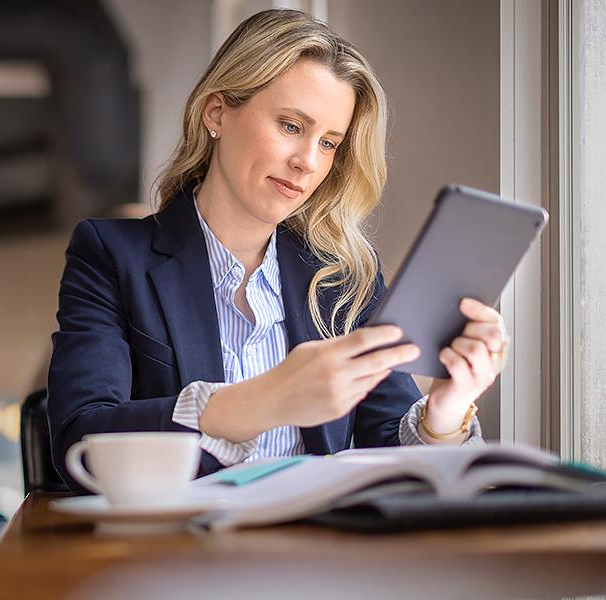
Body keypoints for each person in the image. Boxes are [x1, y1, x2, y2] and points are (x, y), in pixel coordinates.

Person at [47, 9, 507, 493]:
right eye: (291, 126)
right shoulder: (112, 255)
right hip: (181, 557)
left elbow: (387, 456)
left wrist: (445, 411)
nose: (307, 162)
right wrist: (268, 400)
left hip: (320, 556)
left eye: (329, 143)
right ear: (217, 112)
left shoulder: (345, 278)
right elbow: (82, 441)